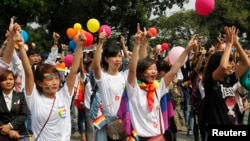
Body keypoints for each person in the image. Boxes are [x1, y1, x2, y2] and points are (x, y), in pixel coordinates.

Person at [126, 23, 197, 140]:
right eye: (150, 69)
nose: (154, 72)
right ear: (142, 72)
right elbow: (132, 70)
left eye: (155, 69)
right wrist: (137, 44)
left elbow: (174, 68)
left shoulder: (158, 87)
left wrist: (187, 50)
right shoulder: (134, 88)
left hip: (157, 137)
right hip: (139, 138)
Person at [17, 29, 86, 140]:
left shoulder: (64, 95)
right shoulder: (34, 98)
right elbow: (29, 74)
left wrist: (79, 46)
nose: (54, 82)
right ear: (39, 82)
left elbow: (73, 71)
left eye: (56, 78)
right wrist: (21, 46)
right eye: (49, 79)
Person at [199, 26, 250, 141]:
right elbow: (222, 66)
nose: (231, 65)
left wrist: (236, 44)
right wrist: (228, 45)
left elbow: (247, 63)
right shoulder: (210, 81)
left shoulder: (229, 79)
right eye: (229, 62)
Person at [92, 31, 127, 141]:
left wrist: (140, 44)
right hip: (108, 123)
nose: (118, 59)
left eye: (119, 56)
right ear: (106, 59)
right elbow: (96, 66)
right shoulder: (103, 78)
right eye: (114, 56)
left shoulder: (125, 76)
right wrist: (100, 43)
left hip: (123, 122)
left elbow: (136, 65)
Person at [0, 70, 30, 141]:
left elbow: (24, 114)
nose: (8, 82)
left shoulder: (21, 96)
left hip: (20, 133)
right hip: (2, 134)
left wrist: (10, 125)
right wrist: (8, 131)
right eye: (4, 80)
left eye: (10, 79)